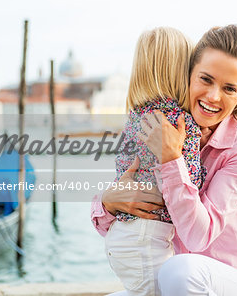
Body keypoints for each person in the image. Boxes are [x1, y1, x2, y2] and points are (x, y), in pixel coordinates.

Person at [92, 25, 237, 296]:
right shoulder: (162, 125)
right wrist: (108, 203)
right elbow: (131, 226)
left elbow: (197, 236)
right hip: (181, 286)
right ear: (188, 73)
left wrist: (171, 159)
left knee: (180, 271)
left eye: (229, 88)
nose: (213, 96)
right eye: (206, 79)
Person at [95, 27, 205, 296]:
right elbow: (190, 182)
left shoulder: (134, 117)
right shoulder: (180, 123)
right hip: (147, 239)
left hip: (123, 235)